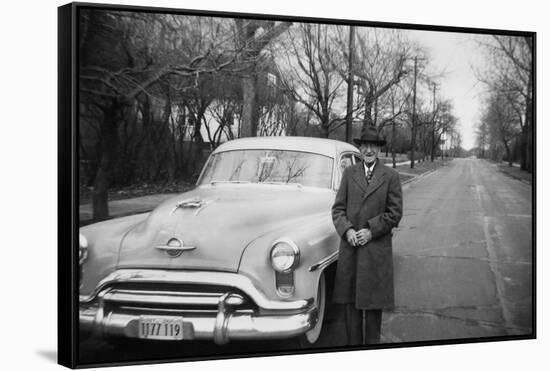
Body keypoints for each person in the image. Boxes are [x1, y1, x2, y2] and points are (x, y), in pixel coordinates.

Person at [332, 125, 403, 345]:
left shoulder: (391, 176)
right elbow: (338, 210)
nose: (369, 150)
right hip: (351, 253)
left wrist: (371, 231)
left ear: (379, 150)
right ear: (360, 148)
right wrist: (348, 230)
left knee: (373, 316)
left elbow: (395, 213)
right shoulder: (349, 172)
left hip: (375, 255)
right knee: (351, 314)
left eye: (373, 146)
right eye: (365, 146)